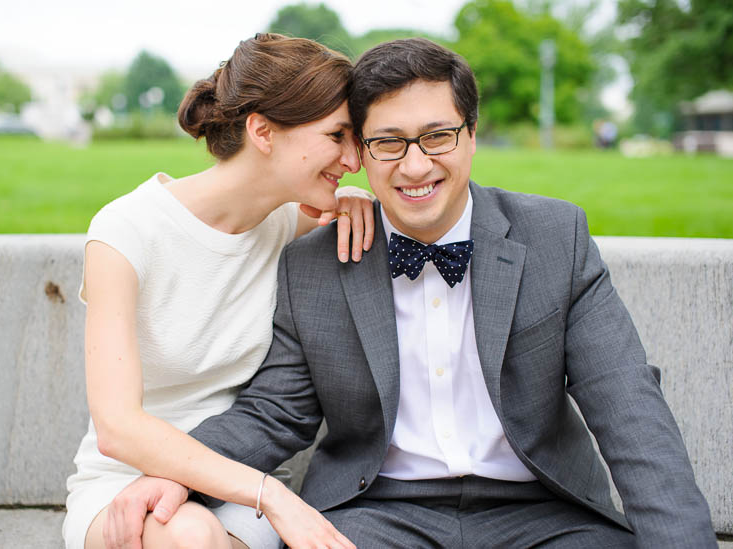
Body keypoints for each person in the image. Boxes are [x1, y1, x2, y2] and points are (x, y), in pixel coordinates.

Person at [108, 38, 716, 547]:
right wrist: (175, 477)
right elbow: (273, 414)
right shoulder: (316, 262)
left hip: (544, 519)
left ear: (473, 135)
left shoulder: (555, 238)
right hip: (377, 516)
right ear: (362, 154)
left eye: (437, 137)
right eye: (390, 142)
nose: (416, 165)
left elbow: (628, 409)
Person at [62, 33, 373, 549]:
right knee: (187, 535)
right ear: (263, 132)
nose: (353, 160)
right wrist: (271, 495)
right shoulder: (126, 232)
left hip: (235, 475)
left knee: (194, 533)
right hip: (127, 479)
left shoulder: (288, 223)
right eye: (337, 136)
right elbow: (118, 426)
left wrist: (356, 202)